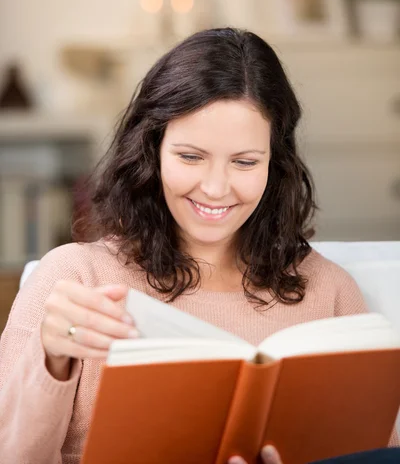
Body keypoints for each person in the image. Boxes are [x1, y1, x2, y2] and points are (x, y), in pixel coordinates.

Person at [0, 28, 396, 464]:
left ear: (275, 164)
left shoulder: (330, 291)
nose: (214, 188)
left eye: (245, 162)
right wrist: (52, 358)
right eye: (190, 157)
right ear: (152, 150)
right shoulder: (74, 278)